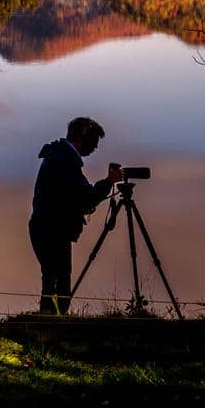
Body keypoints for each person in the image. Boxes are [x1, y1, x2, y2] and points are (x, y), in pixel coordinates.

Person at [29, 116, 122, 314]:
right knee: (57, 281)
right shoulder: (65, 161)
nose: (95, 147)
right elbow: (85, 196)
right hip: (53, 229)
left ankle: (49, 322)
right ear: (82, 136)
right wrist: (109, 182)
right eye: (94, 141)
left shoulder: (57, 156)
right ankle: (52, 324)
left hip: (45, 226)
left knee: (52, 278)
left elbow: (77, 196)